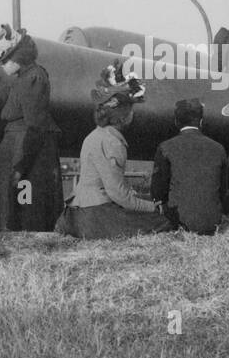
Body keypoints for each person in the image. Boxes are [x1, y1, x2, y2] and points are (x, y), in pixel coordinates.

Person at [54, 63, 172, 240]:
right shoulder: (113, 142)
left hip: (74, 214)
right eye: (131, 109)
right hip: (95, 216)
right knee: (163, 222)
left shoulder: (94, 135)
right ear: (124, 115)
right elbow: (118, 195)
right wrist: (153, 207)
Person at [0, 25, 64, 231]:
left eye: (4, 60)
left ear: (18, 57)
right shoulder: (28, 76)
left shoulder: (32, 77)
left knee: (18, 200)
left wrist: (20, 166)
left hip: (23, 147)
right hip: (20, 145)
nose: (2, 66)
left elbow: (35, 125)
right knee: (11, 196)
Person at [150, 98, 227, 234]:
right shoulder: (219, 148)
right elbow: (222, 189)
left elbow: (158, 190)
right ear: (201, 122)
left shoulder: (165, 147)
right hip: (212, 222)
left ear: (176, 122)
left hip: (177, 221)